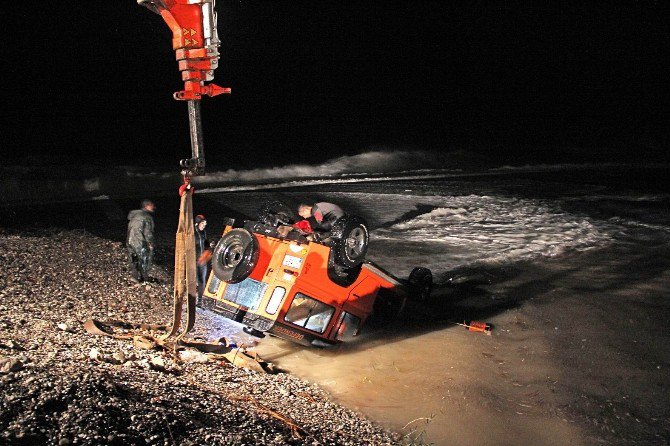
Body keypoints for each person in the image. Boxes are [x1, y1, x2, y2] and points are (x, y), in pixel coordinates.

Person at [126, 199, 155, 283]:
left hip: (130, 240)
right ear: (146, 206)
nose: (153, 207)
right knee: (144, 258)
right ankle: (144, 278)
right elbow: (147, 232)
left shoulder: (134, 216)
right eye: (151, 205)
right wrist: (150, 243)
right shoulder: (146, 217)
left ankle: (135, 277)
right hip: (140, 241)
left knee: (133, 258)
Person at [194, 214, 211, 305]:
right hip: (194, 260)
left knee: (202, 280)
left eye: (205, 223)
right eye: (203, 223)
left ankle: (199, 301)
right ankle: (191, 298)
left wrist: (208, 247)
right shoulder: (192, 232)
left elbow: (205, 244)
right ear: (197, 223)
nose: (204, 225)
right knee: (193, 280)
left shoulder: (203, 232)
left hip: (202, 260)